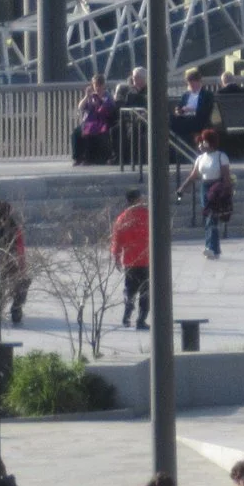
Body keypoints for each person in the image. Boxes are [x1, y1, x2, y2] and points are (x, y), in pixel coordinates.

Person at [110, 188, 152, 328]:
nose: (144, 199)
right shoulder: (148, 215)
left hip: (130, 260)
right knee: (145, 292)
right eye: (141, 197)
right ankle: (141, 320)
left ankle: (126, 317)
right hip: (146, 259)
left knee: (130, 290)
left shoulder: (122, 218)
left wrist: (116, 256)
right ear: (136, 200)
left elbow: (117, 240)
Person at [192, 129, 234, 259]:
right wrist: (182, 188)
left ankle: (211, 247)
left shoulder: (221, 156)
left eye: (204, 141)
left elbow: (226, 176)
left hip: (216, 187)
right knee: (208, 218)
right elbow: (194, 175)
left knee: (212, 217)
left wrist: (226, 191)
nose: (201, 144)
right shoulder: (200, 158)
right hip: (204, 187)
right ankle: (213, 248)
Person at [0, 201, 33, 325]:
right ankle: (16, 307)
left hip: (1, 264)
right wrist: (22, 267)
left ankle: (0, 306)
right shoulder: (14, 226)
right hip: (11, 262)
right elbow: (20, 248)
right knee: (22, 281)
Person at [72, 77, 119, 165]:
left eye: (99, 85)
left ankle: (88, 158)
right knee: (75, 132)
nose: (97, 87)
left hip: (101, 122)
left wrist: (99, 102)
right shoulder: (92, 96)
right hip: (88, 122)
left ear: (103, 85)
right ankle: (77, 157)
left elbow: (106, 109)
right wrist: (87, 96)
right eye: (95, 85)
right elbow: (80, 107)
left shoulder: (107, 96)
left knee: (88, 132)